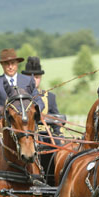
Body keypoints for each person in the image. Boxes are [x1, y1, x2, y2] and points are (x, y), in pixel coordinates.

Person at [21, 56, 63, 186]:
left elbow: (57, 119)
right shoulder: (20, 97)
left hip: (44, 134)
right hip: (27, 135)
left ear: (40, 78)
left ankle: (56, 181)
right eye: (30, 77)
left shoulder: (49, 96)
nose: (34, 80)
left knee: (57, 146)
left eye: (37, 77)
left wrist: (59, 135)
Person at [0, 49, 44, 115]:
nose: (10, 67)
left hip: (27, 120)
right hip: (4, 121)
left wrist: (34, 111)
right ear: (2, 65)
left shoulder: (28, 80)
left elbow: (39, 101)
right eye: (7, 64)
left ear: (17, 63)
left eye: (13, 63)